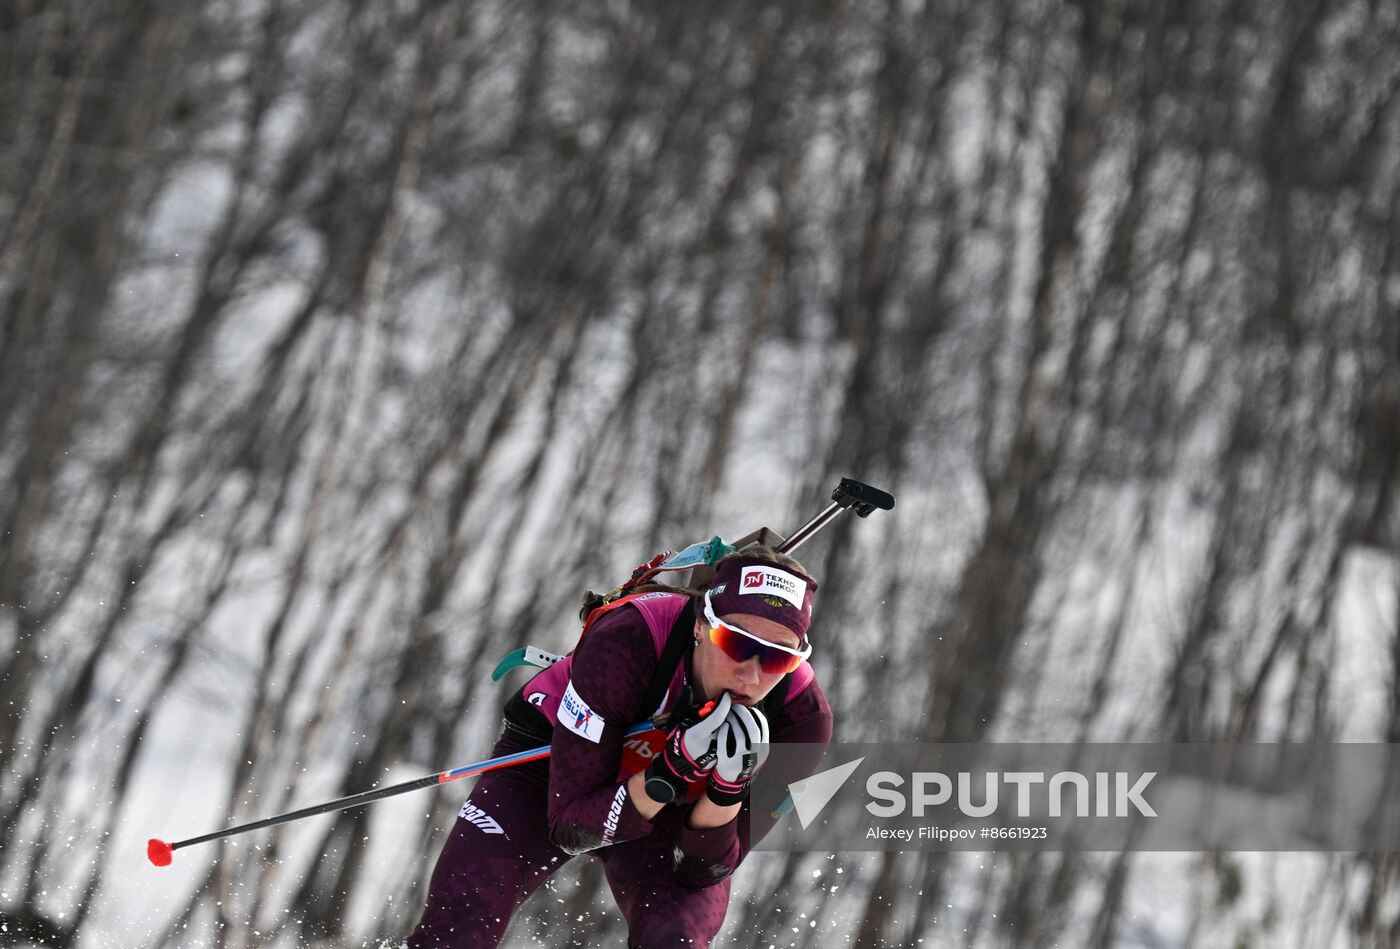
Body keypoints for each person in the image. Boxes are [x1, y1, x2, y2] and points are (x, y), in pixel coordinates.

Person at [405, 547, 833, 948]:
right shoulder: (629, 637)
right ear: (702, 625)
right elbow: (571, 826)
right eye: (737, 643)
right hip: (550, 768)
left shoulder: (802, 721)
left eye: (778, 658)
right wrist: (669, 773)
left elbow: (702, 870)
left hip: (675, 813)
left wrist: (725, 791)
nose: (751, 675)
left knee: (675, 938)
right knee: (461, 921)